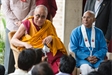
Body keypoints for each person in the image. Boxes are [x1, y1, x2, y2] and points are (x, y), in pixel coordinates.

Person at [10, 5, 67, 74]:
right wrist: (25, 44)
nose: (40, 19)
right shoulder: (27, 23)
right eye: (38, 16)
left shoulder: (48, 24)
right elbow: (13, 40)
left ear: (46, 17)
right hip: (34, 53)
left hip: (47, 51)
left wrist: (52, 38)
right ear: (34, 14)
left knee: (61, 61)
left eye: (43, 17)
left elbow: (56, 39)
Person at [1, 0, 36, 74]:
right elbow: (6, 8)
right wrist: (17, 21)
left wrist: (24, 22)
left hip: (26, 28)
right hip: (12, 26)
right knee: (9, 57)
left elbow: (33, 8)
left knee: (24, 54)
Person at [70, 10, 107, 75]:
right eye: (84, 17)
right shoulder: (75, 32)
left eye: (88, 17)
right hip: (83, 60)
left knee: (104, 69)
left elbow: (104, 48)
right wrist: (86, 57)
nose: (85, 19)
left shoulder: (99, 32)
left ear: (94, 20)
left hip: (97, 60)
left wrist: (96, 56)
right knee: (86, 69)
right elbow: (74, 48)